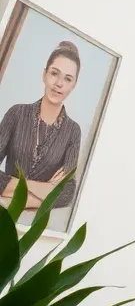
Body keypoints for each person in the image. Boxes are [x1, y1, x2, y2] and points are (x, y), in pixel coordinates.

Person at [0, 40, 83, 209]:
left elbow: (66, 191)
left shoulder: (73, 131)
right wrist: (44, 189)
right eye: (54, 73)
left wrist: (10, 196)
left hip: (26, 217)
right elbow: (54, 192)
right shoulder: (17, 113)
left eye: (67, 79)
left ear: (73, 85)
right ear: (44, 74)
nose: (59, 83)